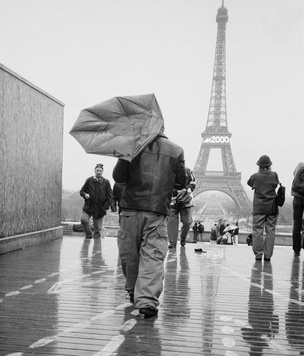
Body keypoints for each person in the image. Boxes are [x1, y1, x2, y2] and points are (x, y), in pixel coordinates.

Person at [112, 129, 187, 318]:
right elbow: (180, 182)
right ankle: (147, 301)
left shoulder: (131, 146)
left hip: (131, 207)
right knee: (153, 255)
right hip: (157, 210)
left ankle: (131, 290)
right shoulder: (176, 150)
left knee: (129, 252)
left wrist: (124, 154)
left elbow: (118, 177)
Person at [247, 155, 279, 261]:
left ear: (259, 165)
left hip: (259, 208)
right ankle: (268, 255)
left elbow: (249, 183)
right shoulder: (274, 175)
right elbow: (275, 185)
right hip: (271, 208)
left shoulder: (255, 176)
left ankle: (258, 254)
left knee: (257, 230)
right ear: (270, 165)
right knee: (270, 231)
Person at [80, 163, 115, 239]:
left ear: (103, 172)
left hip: (100, 208)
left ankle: (96, 248)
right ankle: (89, 235)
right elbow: (82, 191)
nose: (99, 172)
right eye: (97, 170)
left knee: (98, 230)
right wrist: (85, 194)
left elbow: (110, 196)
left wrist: (105, 207)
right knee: (84, 220)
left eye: (100, 171)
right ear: (94, 171)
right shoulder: (89, 180)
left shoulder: (106, 182)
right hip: (89, 206)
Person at [167, 167, 196, 248]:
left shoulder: (188, 171)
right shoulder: (169, 170)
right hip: (173, 201)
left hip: (185, 201)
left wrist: (185, 190)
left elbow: (193, 183)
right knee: (172, 223)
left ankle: (183, 238)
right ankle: (172, 243)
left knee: (187, 222)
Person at [291, 162, 304, 256]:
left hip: (297, 197)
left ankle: (296, 249)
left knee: (296, 224)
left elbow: (294, 175)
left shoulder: (300, 165)